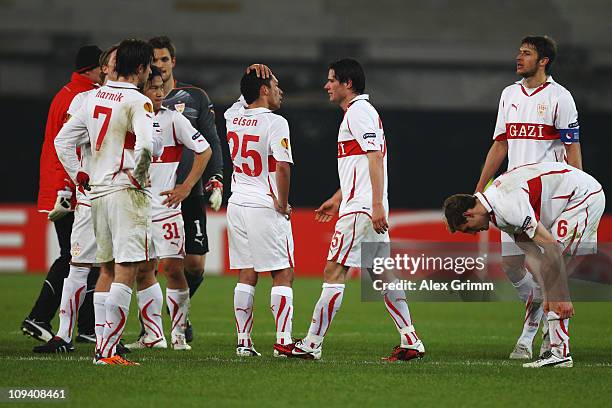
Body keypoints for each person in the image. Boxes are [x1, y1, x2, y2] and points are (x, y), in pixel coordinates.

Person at [274, 59, 425, 361]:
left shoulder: (359, 113)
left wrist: (376, 205)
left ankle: (312, 343)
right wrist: (338, 197)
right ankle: (411, 339)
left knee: (334, 270)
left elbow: (375, 158)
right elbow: (361, 164)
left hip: (362, 211)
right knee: (381, 275)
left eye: (331, 80)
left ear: (347, 83)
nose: (326, 86)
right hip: (361, 204)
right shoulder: (358, 114)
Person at [474, 35, 583, 360]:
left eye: (526, 53)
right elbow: (501, 144)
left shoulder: (561, 98)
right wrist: (480, 187)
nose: (519, 58)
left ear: (543, 60)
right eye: (519, 52)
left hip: (549, 194)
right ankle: (539, 314)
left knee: (549, 265)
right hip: (512, 194)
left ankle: (541, 338)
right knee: (511, 265)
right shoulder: (509, 95)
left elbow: (572, 147)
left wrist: (577, 187)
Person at [444, 161, 605, 368]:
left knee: (553, 267)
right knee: (548, 275)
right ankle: (556, 350)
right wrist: (547, 293)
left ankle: (560, 353)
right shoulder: (496, 211)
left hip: (584, 197)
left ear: (469, 214)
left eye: (467, 228)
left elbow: (551, 248)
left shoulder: (506, 205)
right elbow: (532, 253)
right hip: (573, 196)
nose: (473, 233)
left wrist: (561, 296)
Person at [55, 38, 155, 366]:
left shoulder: (90, 97)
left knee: (107, 270)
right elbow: (146, 146)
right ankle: (107, 351)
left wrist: (79, 174)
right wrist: (139, 177)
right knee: (127, 269)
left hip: (96, 193)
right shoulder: (139, 102)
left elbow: (63, 141)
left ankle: (102, 346)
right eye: (149, 66)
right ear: (140, 68)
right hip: (126, 193)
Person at [34, 45, 118, 354]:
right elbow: (64, 142)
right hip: (97, 195)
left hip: (108, 194)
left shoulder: (86, 97)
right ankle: (68, 333)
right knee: (82, 263)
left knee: (103, 266)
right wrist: (75, 179)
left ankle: (95, 334)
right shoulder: (83, 98)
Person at [125, 66, 211, 351]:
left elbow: (205, 150)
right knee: (142, 270)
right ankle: (153, 336)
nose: (161, 92)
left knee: (174, 269)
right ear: (141, 90)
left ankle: (177, 334)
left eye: (162, 87)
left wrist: (186, 187)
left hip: (166, 209)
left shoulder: (174, 119)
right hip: (136, 209)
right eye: (154, 87)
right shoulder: (130, 117)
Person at [22, 45, 102, 344]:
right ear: (93, 69)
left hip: (63, 185)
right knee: (75, 256)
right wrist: (66, 189)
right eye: (102, 68)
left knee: (83, 256)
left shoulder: (67, 92)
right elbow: (65, 147)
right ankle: (39, 317)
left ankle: (85, 326)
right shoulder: (78, 97)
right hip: (68, 188)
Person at [148, 36, 224, 342]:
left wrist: (215, 177)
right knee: (148, 266)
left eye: (164, 59)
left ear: (173, 62)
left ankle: (177, 310)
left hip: (188, 192)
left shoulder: (194, 97)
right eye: (154, 61)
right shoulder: (138, 101)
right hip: (152, 195)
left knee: (194, 264)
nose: (159, 66)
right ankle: (152, 328)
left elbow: (211, 141)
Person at [224, 65, 294, 357]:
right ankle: (283, 341)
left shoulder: (231, 117)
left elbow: (240, 100)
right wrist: (281, 202)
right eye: (275, 85)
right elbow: (282, 165)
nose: (280, 91)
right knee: (283, 273)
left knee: (246, 272)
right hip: (264, 204)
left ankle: (243, 342)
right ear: (264, 90)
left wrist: (248, 75)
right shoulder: (276, 122)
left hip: (237, 202)